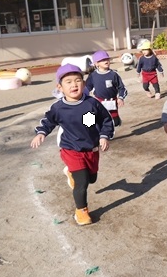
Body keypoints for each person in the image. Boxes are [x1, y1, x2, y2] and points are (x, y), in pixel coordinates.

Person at [30, 64, 114, 225]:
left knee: (91, 179)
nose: (74, 85)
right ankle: (81, 212)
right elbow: (48, 121)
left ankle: (71, 172)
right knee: (82, 182)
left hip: (91, 148)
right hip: (71, 149)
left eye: (77, 80)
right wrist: (41, 133)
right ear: (60, 87)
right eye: (68, 82)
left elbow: (105, 120)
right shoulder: (58, 108)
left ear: (84, 83)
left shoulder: (91, 103)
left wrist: (104, 136)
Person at [86, 50, 128, 127]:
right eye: (102, 60)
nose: (106, 61)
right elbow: (87, 87)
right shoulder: (93, 75)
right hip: (99, 102)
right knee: (97, 122)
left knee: (115, 122)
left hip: (112, 102)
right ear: (96, 63)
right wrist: (82, 96)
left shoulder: (113, 74)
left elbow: (122, 88)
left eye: (107, 59)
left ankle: (115, 121)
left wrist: (121, 98)